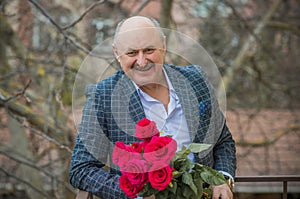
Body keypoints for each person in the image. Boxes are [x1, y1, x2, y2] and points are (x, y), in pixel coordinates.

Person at [69, 16, 236, 199]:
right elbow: (81, 169)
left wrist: (222, 178)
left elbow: (223, 141)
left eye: (149, 50)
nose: (142, 61)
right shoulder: (103, 96)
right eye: (132, 53)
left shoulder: (196, 81)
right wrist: (135, 194)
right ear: (117, 53)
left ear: (163, 46)